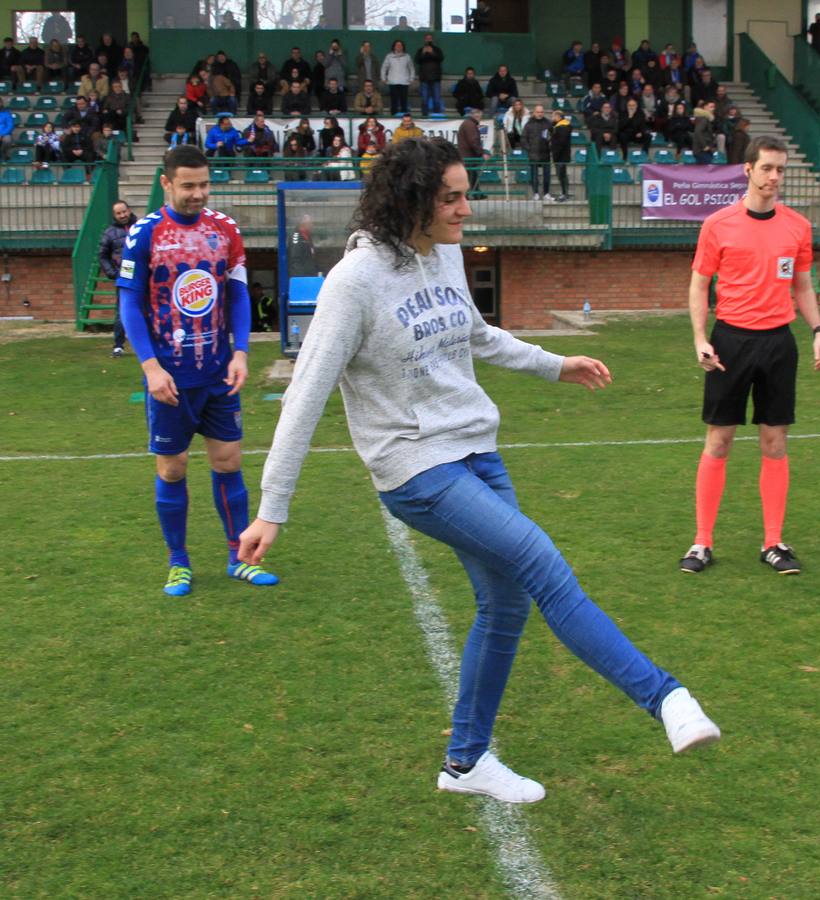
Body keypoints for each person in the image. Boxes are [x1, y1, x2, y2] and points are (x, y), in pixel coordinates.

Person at [235, 136, 720, 803]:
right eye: (451, 198)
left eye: (467, 194)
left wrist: (556, 363)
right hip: (414, 470)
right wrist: (272, 505)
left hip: (474, 450)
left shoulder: (446, 254)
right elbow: (307, 393)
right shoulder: (355, 282)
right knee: (541, 563)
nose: (466, 209)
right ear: (412, 200)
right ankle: (666, 698)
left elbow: (476, 336)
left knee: (506, 601)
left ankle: (465, 764)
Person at [115, 145, 279, 597]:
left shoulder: (225, 230)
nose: (198, 194)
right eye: (188, 185)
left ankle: (238, 556)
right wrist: (150, 368)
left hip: (217, 372)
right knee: (172, 469)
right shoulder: (145, 233)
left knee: (228, 462)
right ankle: (178, 562)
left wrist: (241, 351)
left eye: (204, 184)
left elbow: (238, 294)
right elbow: (129, 302)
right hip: (169, 376)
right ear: (166, 183)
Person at [681, 136, 820, 577]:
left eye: (781, 170)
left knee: (775, 442)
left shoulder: (798, 227)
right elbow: (698, 285)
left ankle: (773, 542)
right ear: (747, 170)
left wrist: (819, 330)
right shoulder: (718, 224)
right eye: (767, 168)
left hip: (778, 344)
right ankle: (702, 543)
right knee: (719, 441)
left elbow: (802, 286)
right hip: (730, 342)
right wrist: (699, 338)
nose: (774, 177)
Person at [99, 199, 135, 356]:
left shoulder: (140, 227)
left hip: (143, 271)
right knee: (122, 310)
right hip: (125, 272)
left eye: (124, 211)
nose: (122, 215)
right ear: (114, 215)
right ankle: (118, 345)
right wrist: (112, 272)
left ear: (129, 210)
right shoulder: (109, 232)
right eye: (119, 213)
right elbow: (103, 255)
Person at [521, 103, 552, 200]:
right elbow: (523, 138)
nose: (540, 114)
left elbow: (553, 136)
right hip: (533, 154)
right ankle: (536, 193)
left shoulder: (548, 123)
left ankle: (546, 193)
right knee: (534, 176)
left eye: (541, 112)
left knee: (547, 176)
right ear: (534, 112)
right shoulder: (528, 124)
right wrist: (529, 148)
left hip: (546, 154)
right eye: (538, 112)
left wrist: (550, 147)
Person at [456, 106, 489, 195]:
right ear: (476, 115)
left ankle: (476, 193)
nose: (480, 117)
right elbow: (473, 141)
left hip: (467, 155)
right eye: (479, 115)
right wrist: (481, 153)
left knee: (472, 175)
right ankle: (473, 194)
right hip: (468, 156)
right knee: (471, 175)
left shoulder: (468, 123)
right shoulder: (470, 125)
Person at [382, 40, 414, 116]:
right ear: (394, 46)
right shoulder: (389, 56)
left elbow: (411, 68)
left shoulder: (407, 56)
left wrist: (411, 78)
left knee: (404, 101)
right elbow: (384, 68)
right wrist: (383, 78)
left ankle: (405, 118)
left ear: (403, 47)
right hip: (393, 82)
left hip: (404, 82)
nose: (399, 47)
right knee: (394, 102)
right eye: (397, 45)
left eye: (400, 45)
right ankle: (393, 117)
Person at [415, 33, 444, 117]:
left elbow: (440, 58)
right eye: (427, 38)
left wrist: (432, 53)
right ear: (424, 40)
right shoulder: (420, 50)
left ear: (432, 40)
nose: (428, 40)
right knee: (424, 100)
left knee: (437, 100)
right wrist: (423, 53)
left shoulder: (437, 50)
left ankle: (437, 117)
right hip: (424, 79)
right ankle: (424, 116)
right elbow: (417, 60)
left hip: (436, 78)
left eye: (430, 38)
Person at [550, 109, 573, 201]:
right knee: (561, 175)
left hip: (561, 156)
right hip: (561, 155)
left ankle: (565, 194)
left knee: (562, 175)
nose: (552, 118)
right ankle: (564, 193)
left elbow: (560, 142)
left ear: (558, 117)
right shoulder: (560, 126)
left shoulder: (562, 127)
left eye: (553, 116)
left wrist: (555, 152)